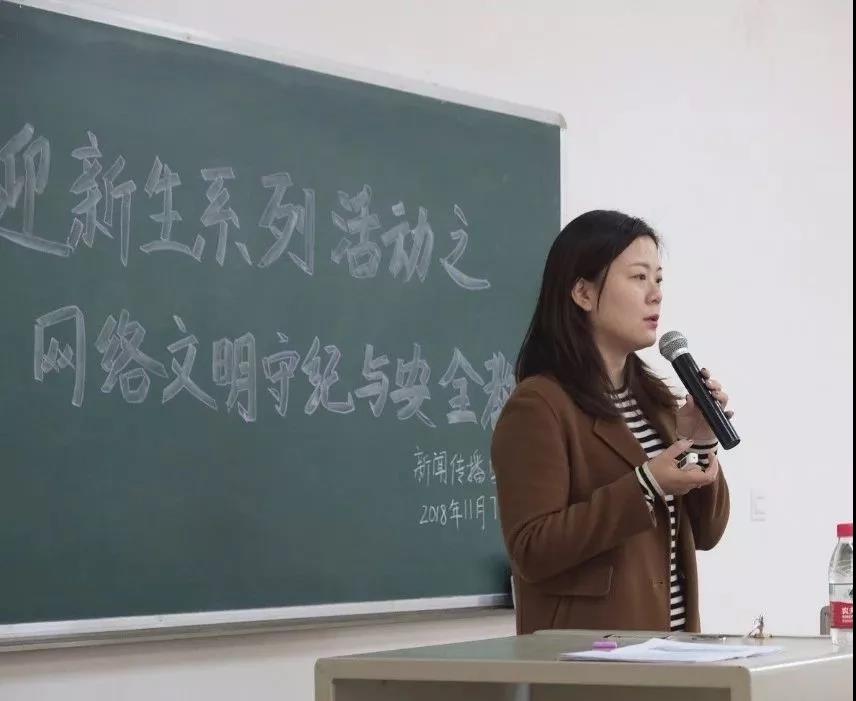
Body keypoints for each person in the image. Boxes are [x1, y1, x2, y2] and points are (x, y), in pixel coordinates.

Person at [491, 210, 731, 635]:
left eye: (659, 279)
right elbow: (531, 550)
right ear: (583, 293)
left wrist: (699, 442)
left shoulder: (657, 402)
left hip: (674, 651)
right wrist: (645, 485)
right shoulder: (539, 405)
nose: (655, 295)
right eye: (638, 278)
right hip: (591, 656)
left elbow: (707, 533)